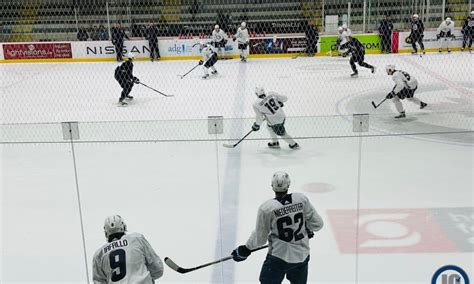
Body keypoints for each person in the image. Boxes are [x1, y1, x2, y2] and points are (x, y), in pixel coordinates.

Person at [231, 171, 324, 284]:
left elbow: (260, 239)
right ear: (288, 185)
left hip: (278, 258)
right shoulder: (301, 199)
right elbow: (318, 224)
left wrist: (245, 249)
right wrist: (307, 229)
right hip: (302, 256)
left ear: (272, 186)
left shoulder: (267, 208)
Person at [92, 215, 164, 283]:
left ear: (106, 232)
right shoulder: (137, 239)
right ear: (123, 227)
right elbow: (158, 269)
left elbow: (99, 281)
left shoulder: (99, 254)